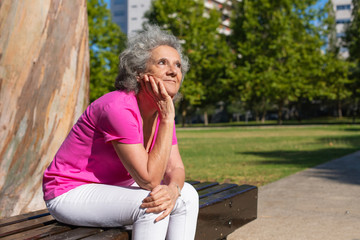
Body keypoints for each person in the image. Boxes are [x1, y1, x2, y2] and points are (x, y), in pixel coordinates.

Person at [42, 25, 199, 240]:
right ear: (139, 72)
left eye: (178, 65)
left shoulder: (161, 111)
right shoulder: (118, 107)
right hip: (70, 191)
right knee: (150, 205)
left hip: (115, 186)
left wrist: (173, 189)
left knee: (187, 195)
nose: (173, 71)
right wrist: (167, 118)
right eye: (162, 62)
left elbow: (176, 168)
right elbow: (149, 180)